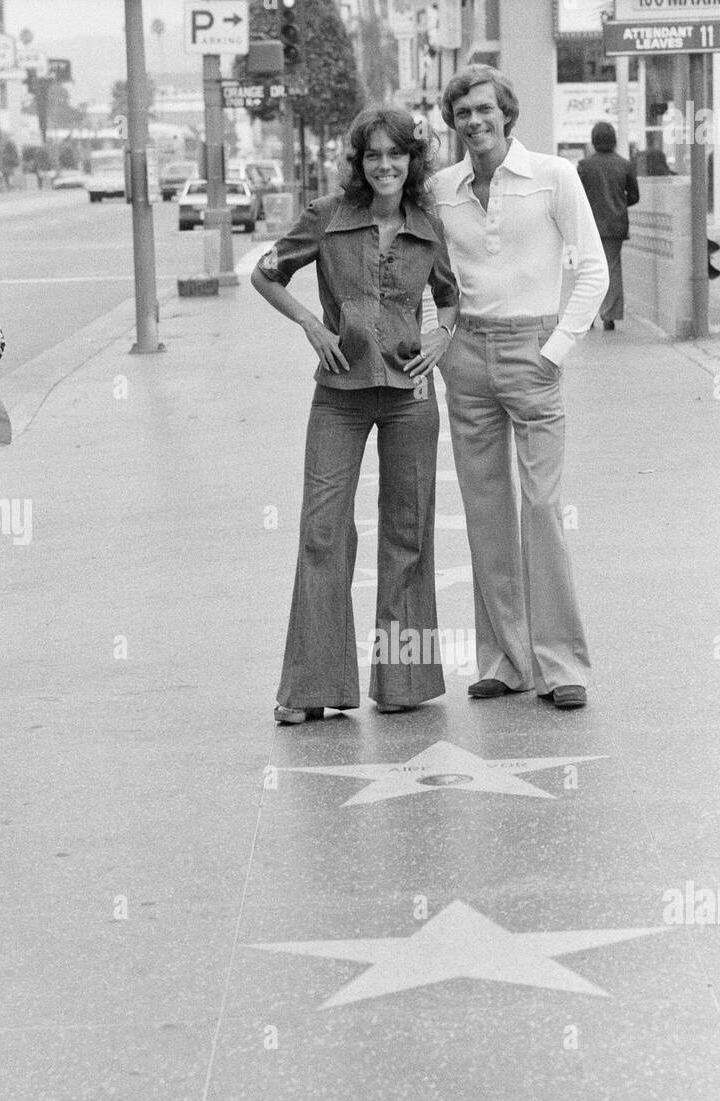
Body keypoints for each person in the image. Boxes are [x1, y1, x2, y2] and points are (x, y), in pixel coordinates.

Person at [251, 106, 459, 725]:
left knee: (407, 532)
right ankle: (312, 686)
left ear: (411, 161)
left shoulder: (428, 223)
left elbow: (449, 299)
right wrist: (311, 323)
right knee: (323, 530)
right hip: (338, 393)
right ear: (359, 163)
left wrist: (441, 338)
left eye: (395, 154)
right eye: (372, 155)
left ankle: (404, 683)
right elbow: (267, 275)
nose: (385, 165)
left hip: (410, 397)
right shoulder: (327, 217)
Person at [430, 66, 608, 711]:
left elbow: (593, 269)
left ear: (506, 113)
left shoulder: (554, 176)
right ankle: (505, 659)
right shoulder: (440, 188)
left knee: (540, 508)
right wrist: (440, 346)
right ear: (452, 122)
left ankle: (561, 664)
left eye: (484, 110)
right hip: (467, 357)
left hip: (533, 350)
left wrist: (555, 349)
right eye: (462, 114)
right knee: (485, 514)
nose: (474, 122)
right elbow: (434, 279)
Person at [577, 120, 640, 331]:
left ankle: (589, 316)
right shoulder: (624, 164)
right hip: (616, 225)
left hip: (590, 226)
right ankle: (609, 316)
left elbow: (579, 197)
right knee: (611, 269)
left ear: (594, 140)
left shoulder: (585, 166)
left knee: (589, 270)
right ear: (613, 140)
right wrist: (620, 203)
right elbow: (634, 196)